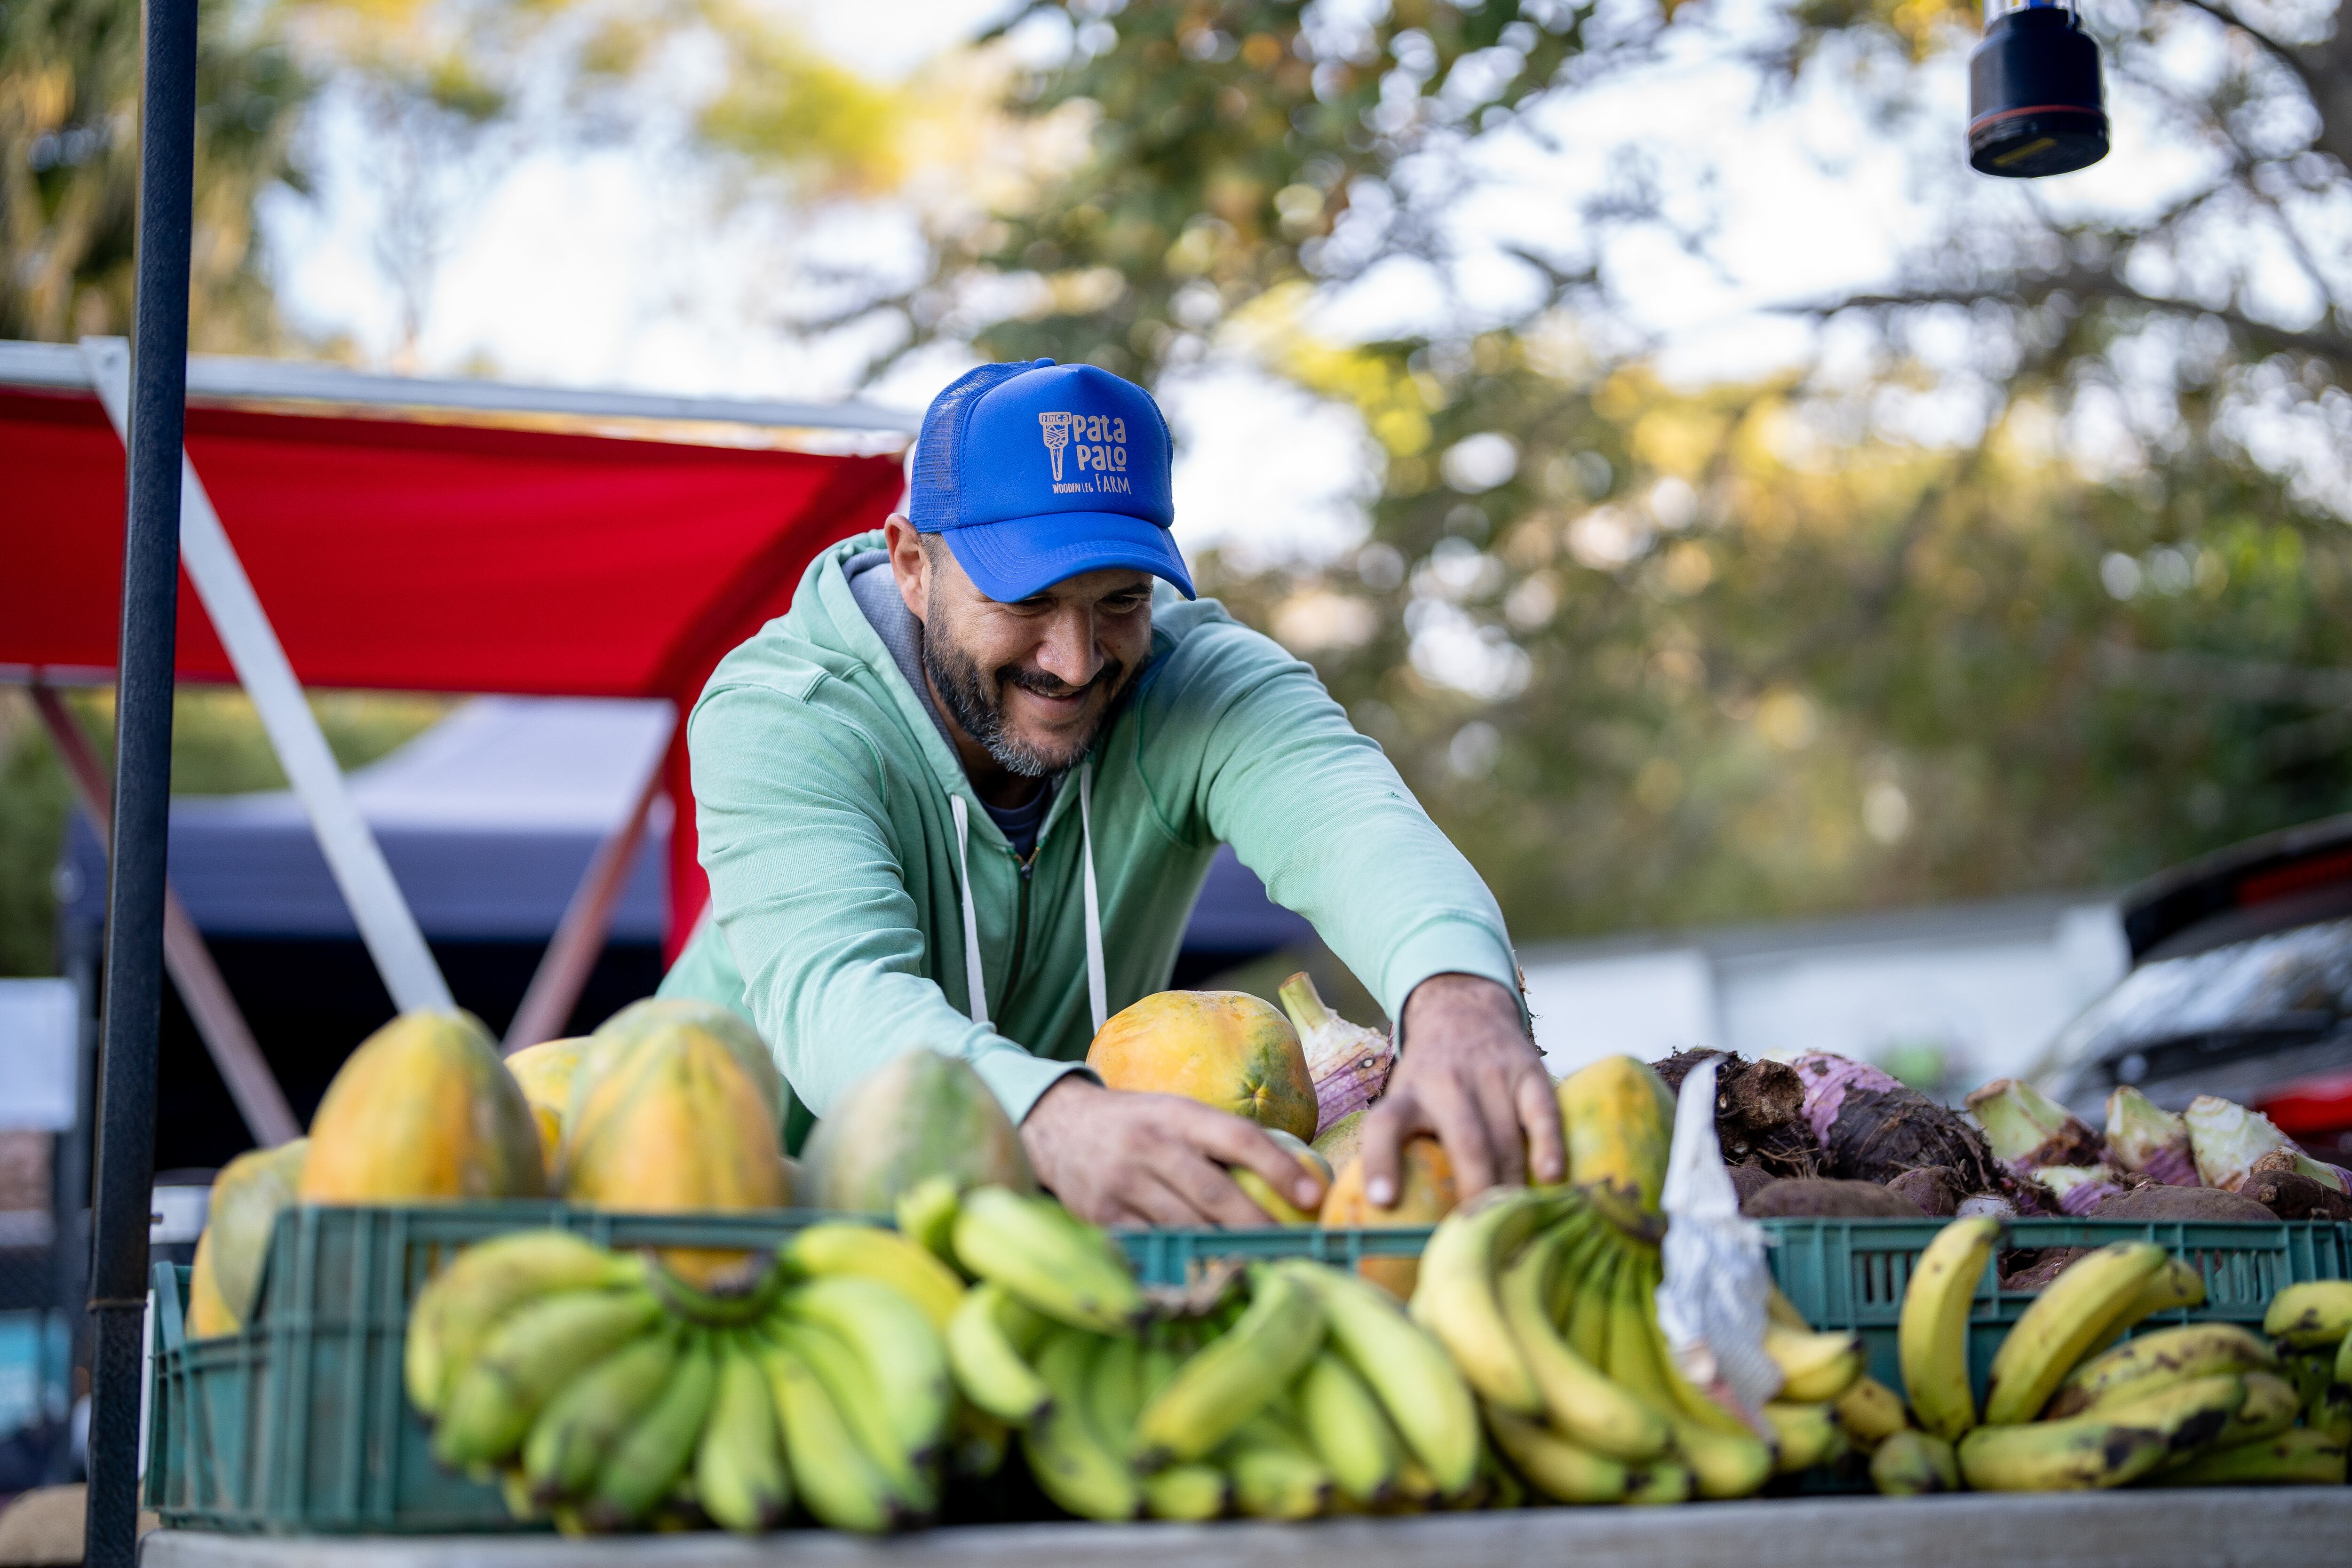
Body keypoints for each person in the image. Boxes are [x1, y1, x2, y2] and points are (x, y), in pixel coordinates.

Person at [657, 358, 1561, 1225]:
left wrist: (1458, 995)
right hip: (733, 1220)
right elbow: (838, 995)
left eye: (1121, 600)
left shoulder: (1193, 680)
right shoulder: (783, 717)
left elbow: (1355, 824)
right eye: (1027, 602)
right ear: (911, 566)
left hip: (1050, 1235)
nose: (1076, 660)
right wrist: (1055, 1118)